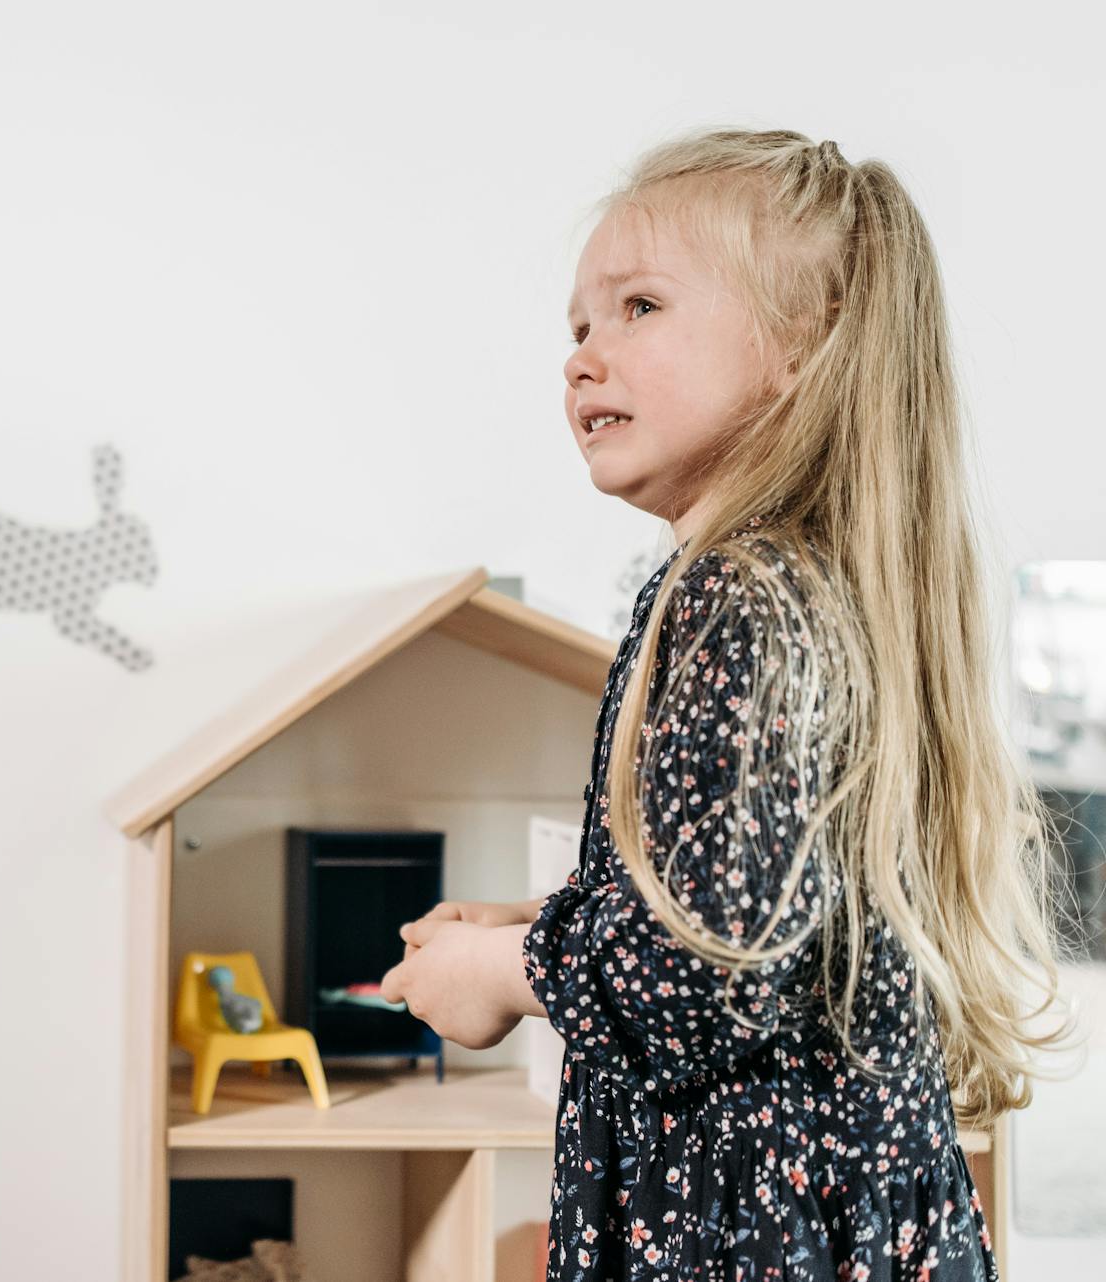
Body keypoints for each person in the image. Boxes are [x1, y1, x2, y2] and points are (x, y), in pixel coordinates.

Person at [378, 127, 1081, 1281]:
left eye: (639, 307)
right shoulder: (803, 585)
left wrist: (509, 974)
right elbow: (765, 902)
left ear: (800, 344)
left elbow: (724, 962)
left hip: (750, 1229)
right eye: (578, 326)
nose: (584, 355)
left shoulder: (739, 594)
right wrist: (555, 918)